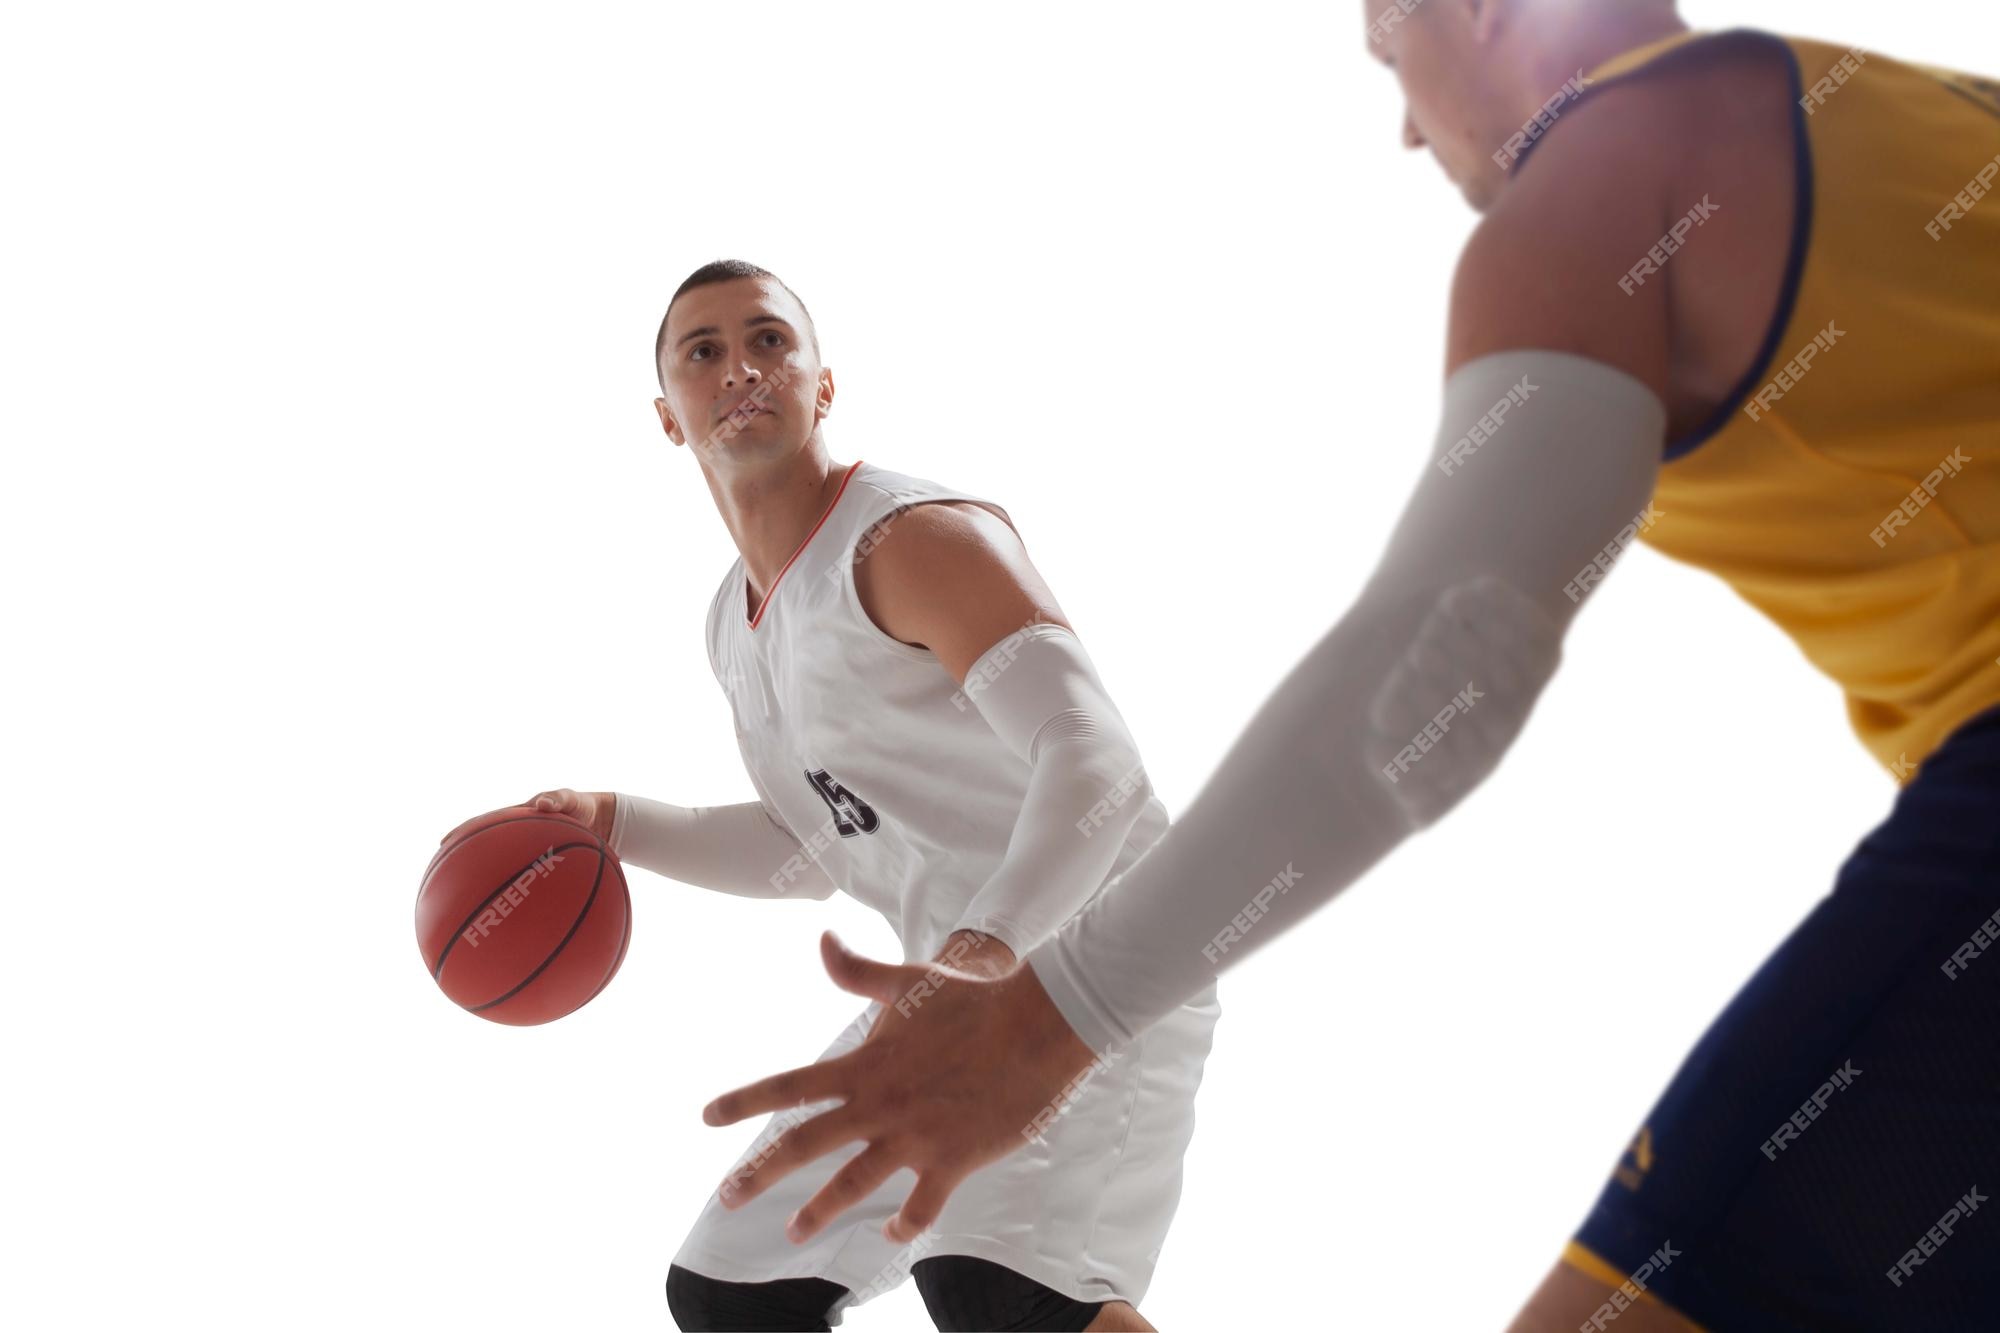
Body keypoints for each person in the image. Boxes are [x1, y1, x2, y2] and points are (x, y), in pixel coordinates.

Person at [699, 6, 2000, 1328]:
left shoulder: (1605, 178)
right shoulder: (1921, 109)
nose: (1400, 125)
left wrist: (1053, 1015)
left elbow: (1443, 669)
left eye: (1394, 52)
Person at [523, 259, 1219, 1331]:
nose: (741, 366)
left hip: (1090, 960)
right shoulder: (736, 622)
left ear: (822, 384)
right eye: (702, 351)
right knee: (734, 1291)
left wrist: (985, 948)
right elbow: (809, 847)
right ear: (668, 416)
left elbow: (1096, 759)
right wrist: (617, 823)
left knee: (1001, 1287)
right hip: (949, 994)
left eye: (768, 340)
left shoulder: (908, 539)